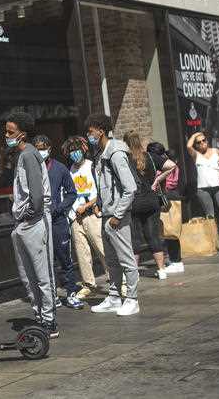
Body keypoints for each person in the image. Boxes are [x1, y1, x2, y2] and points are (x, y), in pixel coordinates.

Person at [4, 113, 58, 337]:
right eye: (6, 131)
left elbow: (36, 194)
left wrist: (29, 214)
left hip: (34, 220)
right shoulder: (23, 156)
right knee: (28, 274)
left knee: (41, 273)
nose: (6, 135)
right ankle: (40, 314)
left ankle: (49, 319)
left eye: (10, 132)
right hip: (25, 221)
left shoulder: (29, 155)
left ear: (22, 134)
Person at [86, 115, 140, 317]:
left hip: (117, 216)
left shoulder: (115, 153)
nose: (88, 135)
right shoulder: (101, 153)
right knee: (112, 260)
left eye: (90, 131)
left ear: (100, 130)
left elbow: (130, 188)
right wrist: (101, 205)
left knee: (126, 259)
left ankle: (132, 299)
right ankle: (115, 297)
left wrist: (117, 215)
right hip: (107, 215)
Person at [33, 135, 82, 310]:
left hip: (58, 221)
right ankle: (52, 296)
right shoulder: (33, 170)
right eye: (37, 148)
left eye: (43, 148)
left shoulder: (60, 169)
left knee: (65, 259)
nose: (40, 151)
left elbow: (72, 193)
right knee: (46, 261)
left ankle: (71, 293)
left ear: (49, 148)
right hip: (39, 222)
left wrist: (60, 208)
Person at [123, 131, 177, 280]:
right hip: (152, 201)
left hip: (134, 202)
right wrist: (157, 180)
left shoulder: (126, 159)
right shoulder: (151, 157)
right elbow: (171, 165)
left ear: (126, 144)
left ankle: (134, 274)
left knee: (135, 239)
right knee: (153, 236)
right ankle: (161, 270)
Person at [62, 136, 106, 300]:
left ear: (84, 149)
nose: (75, 154)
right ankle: (88, 284)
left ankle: (116, 280)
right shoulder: (69, 170)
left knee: (102, 249)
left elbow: (101, 191)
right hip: (76, 217)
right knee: (82, 254)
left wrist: (88, 206)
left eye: (77, 150)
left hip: (92, 214)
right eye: (71, 151)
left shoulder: (92, 166)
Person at [148, 143, 185, 274]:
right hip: (173, 196)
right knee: (170, 230)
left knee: (169, 231)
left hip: (167, 197)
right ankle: (174, 260)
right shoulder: (170, 162)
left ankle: (176, 261)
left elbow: (163, 181)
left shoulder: (162, 166)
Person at [186, 131, 219, 224]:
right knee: (210, 215)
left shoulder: (216, 151)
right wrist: (196, 134)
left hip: (218, 186)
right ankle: (213, 236)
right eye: (198, 142)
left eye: (203, 140)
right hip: (203, 189)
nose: (202, 143)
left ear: (207, 141)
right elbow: (188, 146)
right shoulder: (196, 155)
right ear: (196, 145)